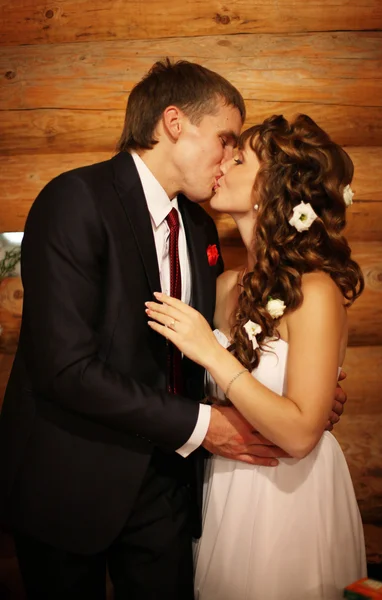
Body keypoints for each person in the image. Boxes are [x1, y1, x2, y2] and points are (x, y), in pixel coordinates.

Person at [0, 58, 345, 598]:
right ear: (175, 123)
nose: (229, 156)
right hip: (71, 483)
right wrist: (205, 425)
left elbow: (209, 350)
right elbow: (65, 367)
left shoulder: (201, 225)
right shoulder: (75, 199)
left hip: (169, 493)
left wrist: (304, 396)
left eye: (240, 150)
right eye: (226, 138)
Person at [146, 114, 367, 599]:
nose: (223, 162)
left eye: (239, 157)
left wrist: (211, 351)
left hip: (288, 496)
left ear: (274, 187)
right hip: (226, 486)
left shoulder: (316, 290)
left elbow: (299, 434)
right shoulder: (224, 285)